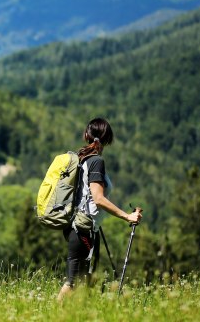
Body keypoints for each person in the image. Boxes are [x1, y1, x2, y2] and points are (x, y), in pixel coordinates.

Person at [57, 117, 142, 300]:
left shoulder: (82, 158)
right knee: (72, 283)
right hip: (82, 229)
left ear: (86, 135)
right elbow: (98, 199)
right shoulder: (96, 161)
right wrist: (127, 216)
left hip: (80, 227)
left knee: (82, 282)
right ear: (107, 138)